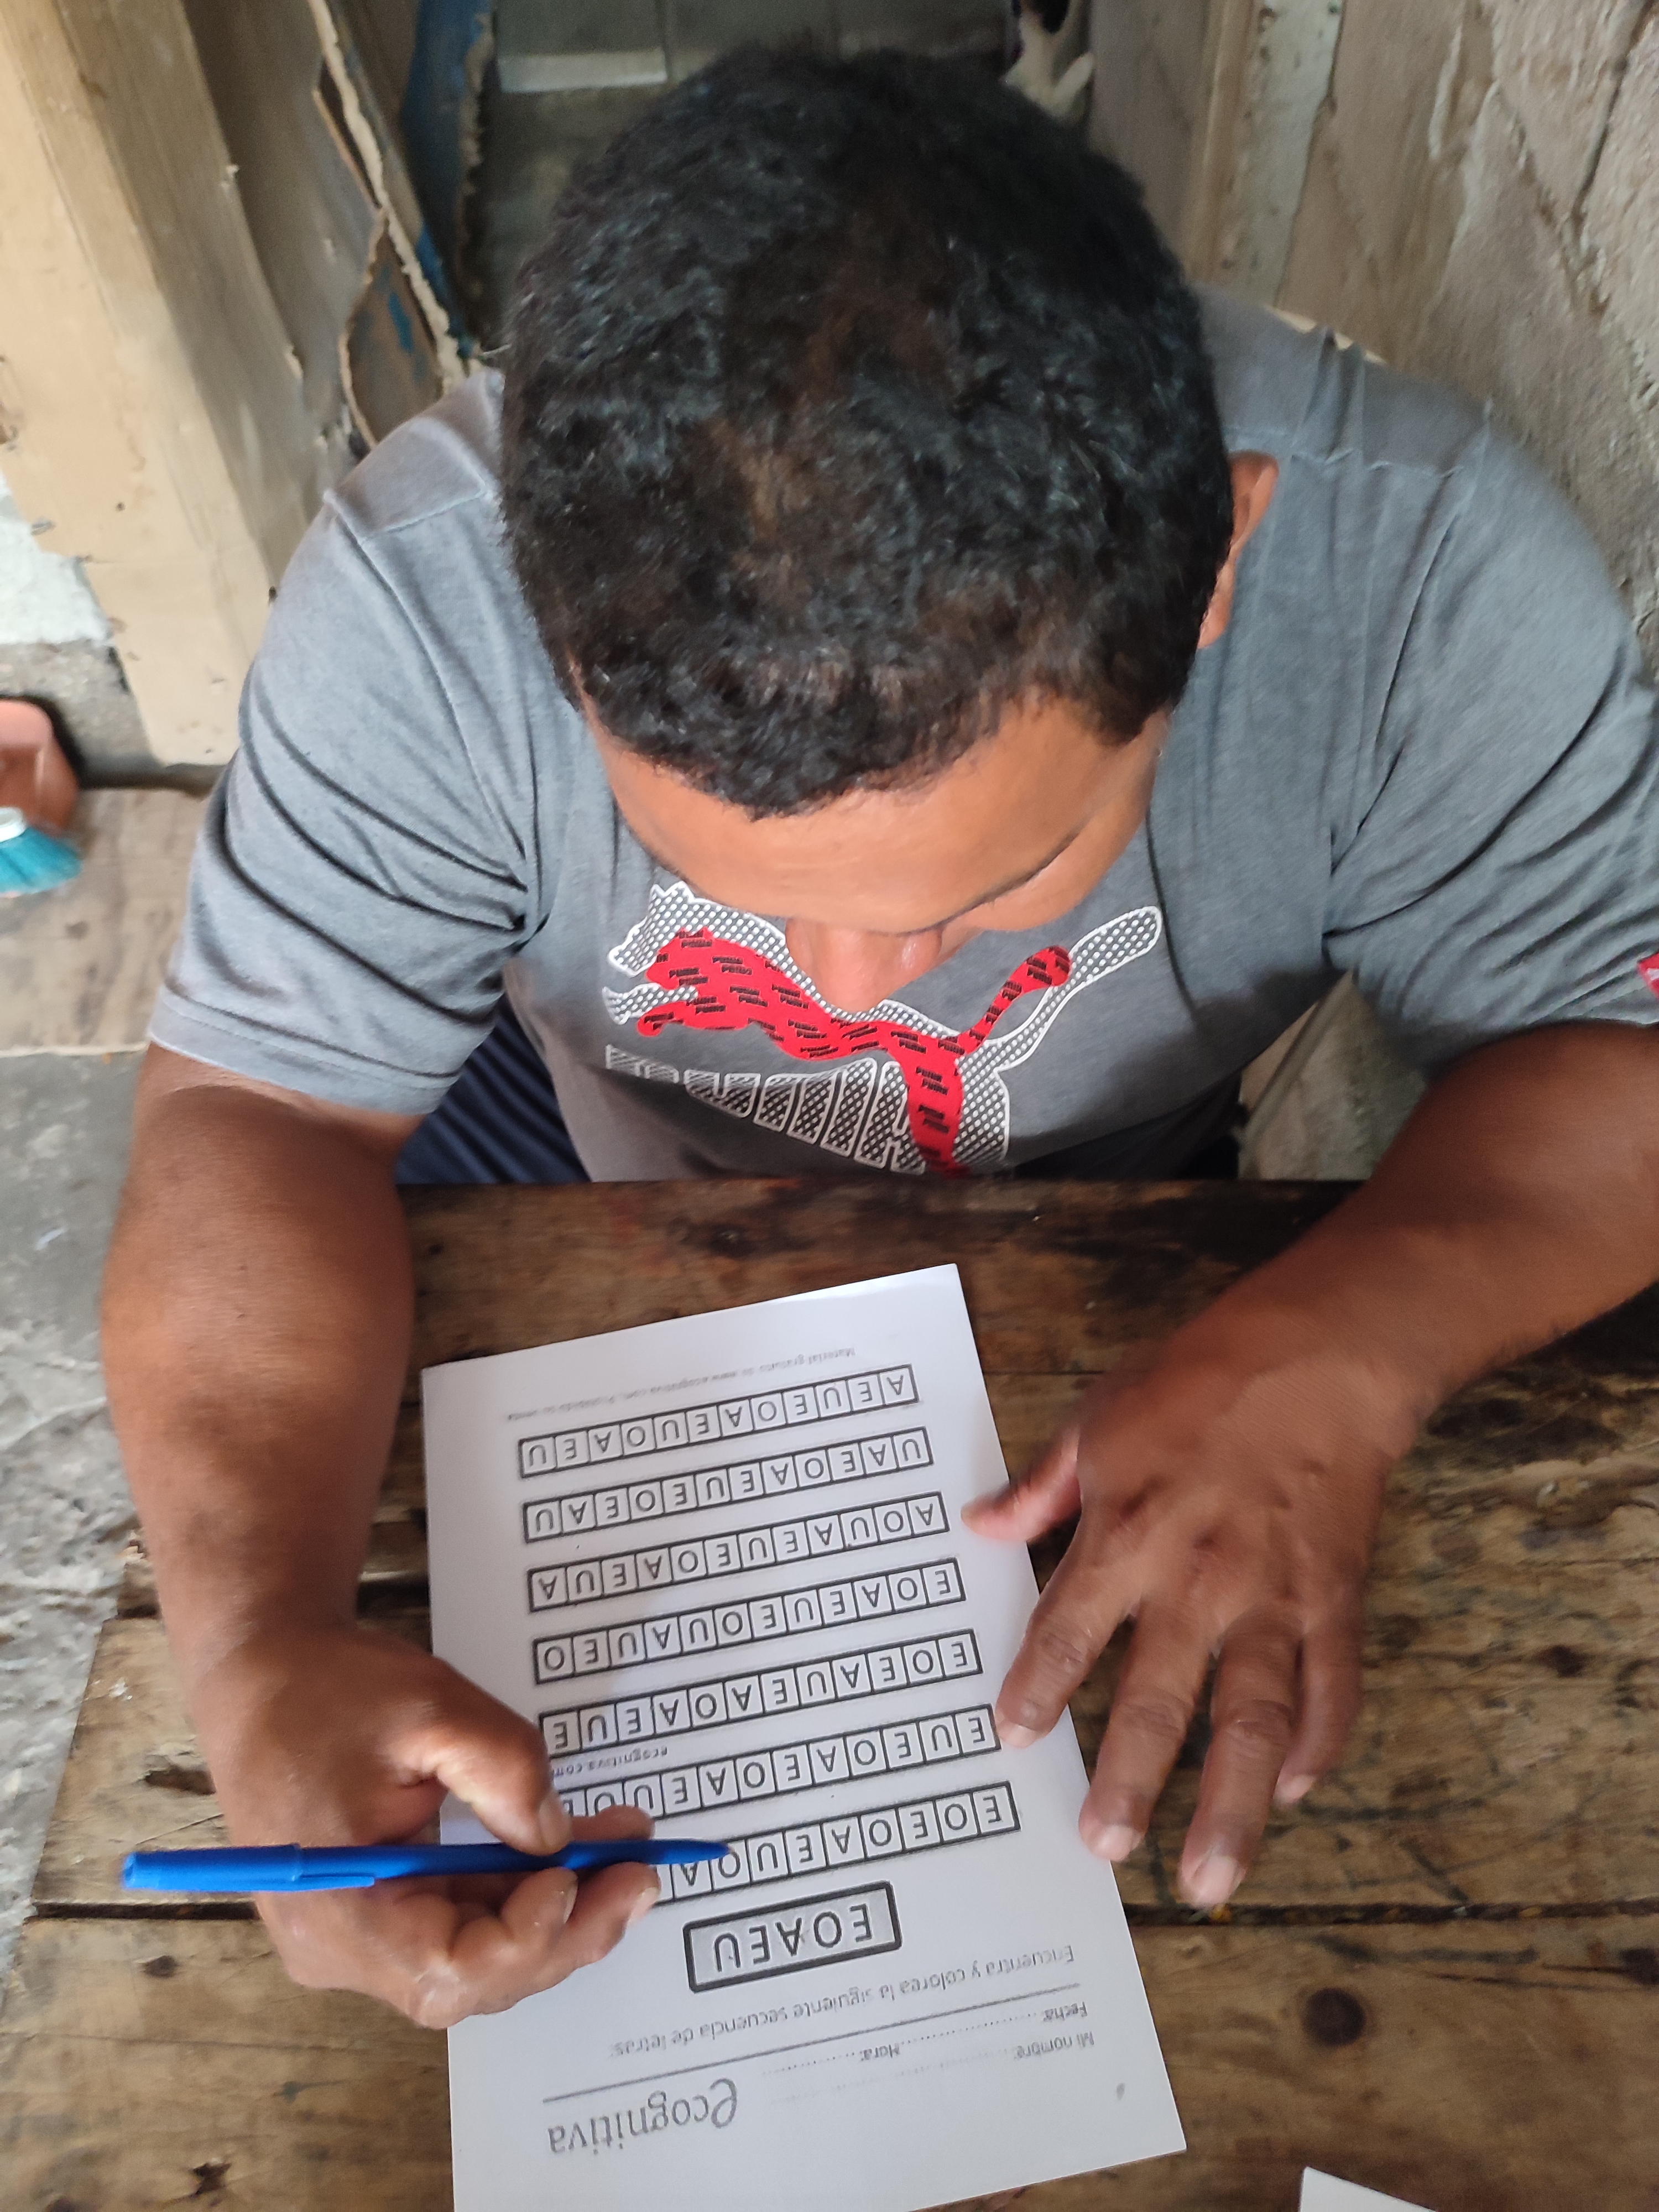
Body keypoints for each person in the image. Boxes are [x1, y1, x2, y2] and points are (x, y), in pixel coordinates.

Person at [103, 48, 1659, 2031]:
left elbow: (1612, 1061)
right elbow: (260, 1107)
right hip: (581, 1138)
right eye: (729, 883)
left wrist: (1349, 1348)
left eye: (993, 884)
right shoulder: (423, 602)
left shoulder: (1420, 578)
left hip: (1104, 1198)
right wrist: (254, 1645)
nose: (852, 995)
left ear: (1219, 566)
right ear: (552, 639)